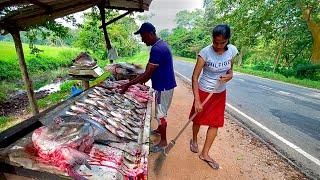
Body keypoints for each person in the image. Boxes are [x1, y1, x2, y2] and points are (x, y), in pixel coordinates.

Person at [118, 22, 177, 153]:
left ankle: (163, 142)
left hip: (163, 87)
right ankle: (159, 130)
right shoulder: (160, 44)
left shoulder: (157, 49)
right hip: (164, 85)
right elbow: (150, 69)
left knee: (161, 115)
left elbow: (146, 76)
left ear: (150, 34)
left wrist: (127, 85)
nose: (142, 40)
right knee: (159, 112)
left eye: (143, 36)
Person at [189, 24, 238, 169]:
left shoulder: (232, 51)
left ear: (228, 40)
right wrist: (197, 100)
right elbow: (194, 77)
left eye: (222, 43)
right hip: (204, 92)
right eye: (215, 42)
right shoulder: (205, 53)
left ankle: (205, 153)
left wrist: (229, 76)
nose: (218, 46)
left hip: (219, 93)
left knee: (215, 123)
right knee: (197, 119)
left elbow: (230, 71)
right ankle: (194, 139)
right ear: (212, 39)